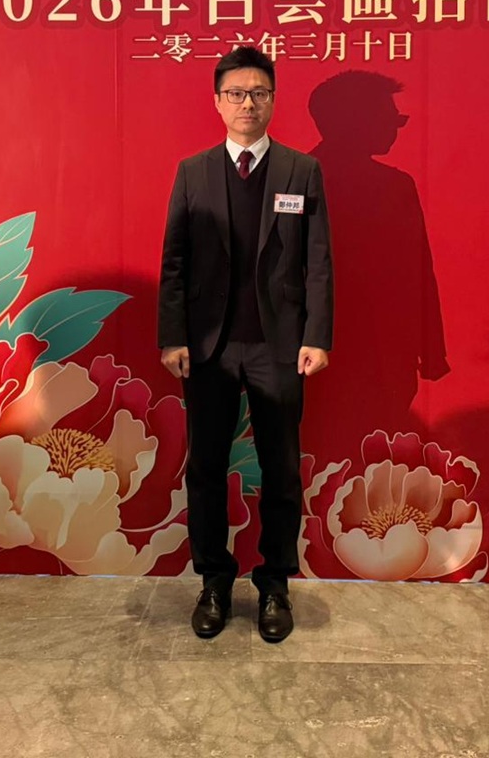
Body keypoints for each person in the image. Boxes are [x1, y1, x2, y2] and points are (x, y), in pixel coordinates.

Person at [157, 46, 333, 643]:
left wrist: (316, 336)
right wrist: (172, 337)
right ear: (217, 102)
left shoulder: (301, 171)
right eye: (236, 94)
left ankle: (275, 585)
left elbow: (318, 263)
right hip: (208, 348)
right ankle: (213, 582)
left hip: (278, 347)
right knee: (206, 468)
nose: (247, 104)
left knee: (280, 469)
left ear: (273, 101)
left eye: (259, 93)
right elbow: (174, 263)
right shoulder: (193, 172)